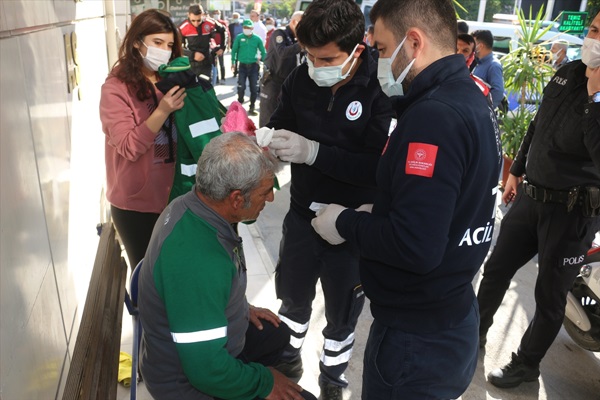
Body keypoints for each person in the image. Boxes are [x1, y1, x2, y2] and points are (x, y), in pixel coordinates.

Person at [310, 0, 502, 398]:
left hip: (416, 340)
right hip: (450, 315)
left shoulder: (434, 117)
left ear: (413, 42)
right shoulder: (468, 97)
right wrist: (381, 210)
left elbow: (415, 245)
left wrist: (346, 222)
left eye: (380, 49)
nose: (378, 59)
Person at [266, 0, 395, 398]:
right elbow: (281, 121)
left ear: (358, 49)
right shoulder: (300, 78)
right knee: (292, 302)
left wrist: (314, 152)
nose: (315, 65)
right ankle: (287, 361)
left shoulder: (384, 88)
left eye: (326, 58)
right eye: (308, 55)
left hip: (352, 225)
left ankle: (332, 378)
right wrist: (270, 142)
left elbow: (379, 167)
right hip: (303, 216)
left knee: (342, 316)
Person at [138, 132, 317, 400]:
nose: (270, 199)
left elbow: (207, 291)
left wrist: (238, 306)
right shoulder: (198, 261)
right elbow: (207, 371)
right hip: (187, 384)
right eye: (265, 191)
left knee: (276, 335)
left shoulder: (193, 206)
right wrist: (264, 383)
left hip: (198, 353)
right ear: (235, 199)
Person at [476, 12, 600, 389]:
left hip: (571, 213)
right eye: (594, 30)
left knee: (549, 296)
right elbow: (538, 123)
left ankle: (526, 364)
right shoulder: (570, 71)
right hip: (531, 197)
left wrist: (597, 98)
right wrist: (517, 171)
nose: (593, 39)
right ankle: (474, 332)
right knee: (496, 269)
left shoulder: (595, 89)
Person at [100, 9, 186, 270]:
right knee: (147, 280)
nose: (164, 51)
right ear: (137, 42)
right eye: (157, 43)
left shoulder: (170, 77)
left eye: (169, 45)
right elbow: (129, 146)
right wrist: (162, 111)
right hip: (136, 207)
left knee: (175, 275)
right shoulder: (115, 88)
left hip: (177, 196)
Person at [259, 11, 303, 127]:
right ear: (294, 22)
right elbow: (282, 52)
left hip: (286, 83)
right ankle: (262, 144)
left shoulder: (295, 39)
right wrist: (302, 45)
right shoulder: (280, 33)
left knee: (282, 117)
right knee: (267, 118)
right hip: (272, 82)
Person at [231, 19, 266, 116]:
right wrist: (233, 62)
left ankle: (252, 107)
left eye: (248, 28)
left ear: (252, 28)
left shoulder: (257, 39)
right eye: (245, 27)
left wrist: (266, 62)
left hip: (254, 66)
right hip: (242, 66)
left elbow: (263, 51)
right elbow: (234, 50)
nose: (246, 29)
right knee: (241, 86)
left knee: (254, 88)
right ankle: (240, 104)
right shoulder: (239, 38)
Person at [472, 29, 504, 109]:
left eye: (473, 43)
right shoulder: (479, 63)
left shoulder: (493, 65)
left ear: (480, 46)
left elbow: (498, 92)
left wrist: (484, 110)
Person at [179, 5, 212, 80]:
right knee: (193, 89)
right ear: (188, 15)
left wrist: (221, 48)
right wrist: (192, 55)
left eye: (199, 20)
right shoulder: (182, 27)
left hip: (206, 64)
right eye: (193, 20)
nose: (196, 23)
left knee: (206, 88)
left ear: (202, 15)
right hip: (191, 65)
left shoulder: (210, 23)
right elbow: (176, 47)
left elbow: (222, 31)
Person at [200, 10, 227, 86]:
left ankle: (222, 78)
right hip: (200, 60)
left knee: (220, 65)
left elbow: (224, 31)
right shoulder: (196, 26)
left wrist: (222, 47)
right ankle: (217, 79)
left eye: (205, 15)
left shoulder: (213, 24)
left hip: (213, 51)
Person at [210, 10, 229, 83]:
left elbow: (227, 34)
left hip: (220, 46)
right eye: (215, 13)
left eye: (217, 13)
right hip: (213, 46)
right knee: (215, 63)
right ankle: (216, 78)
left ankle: (223, 78)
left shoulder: (223, 23)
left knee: (221, 63)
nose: (216, 15)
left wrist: (225, 46)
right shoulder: (211, 23)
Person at [228, 12, 244, 77]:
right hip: (234, 44)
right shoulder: (231, 26)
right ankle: (235, 71)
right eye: (234, 17)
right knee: (235, 58)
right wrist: (229, 45)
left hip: (242, 44)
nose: (235, 19)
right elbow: (230, 36)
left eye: (236, 17)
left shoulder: (242, 25)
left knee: (241, 58)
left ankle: (241, 71)